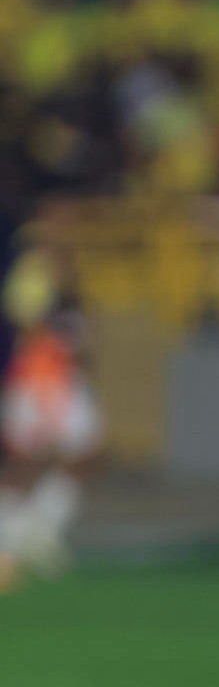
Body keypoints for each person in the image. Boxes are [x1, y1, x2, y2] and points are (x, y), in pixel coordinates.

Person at [0, 245, 99, 580]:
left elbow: (84, 354)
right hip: (35, 381)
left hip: (64, 384)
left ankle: (40, 530)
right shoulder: (31, 277)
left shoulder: (74, 306)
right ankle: (9, 541)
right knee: (25, 462)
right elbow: (23, 317)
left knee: (84, 457)